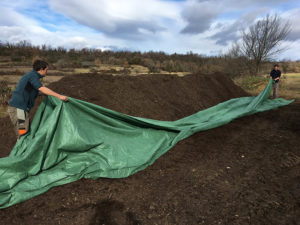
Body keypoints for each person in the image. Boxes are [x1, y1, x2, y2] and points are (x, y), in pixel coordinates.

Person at [7, 60, 68, 140]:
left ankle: (23, 150)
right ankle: (21, 151)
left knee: (24, 131)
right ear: (41, 69)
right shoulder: (33, 76)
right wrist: (59, 96)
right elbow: (41, 88)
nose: (47, 72)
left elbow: (33, 90)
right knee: (22, 133)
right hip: (18, 109)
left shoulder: (32, 76)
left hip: (21, 108)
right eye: (46, 70)